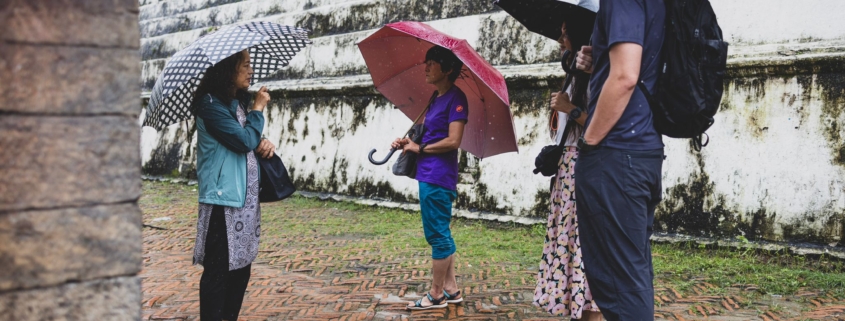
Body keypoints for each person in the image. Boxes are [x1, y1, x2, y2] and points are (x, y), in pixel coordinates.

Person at [573, 0, 666, 320]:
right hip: (644, 150)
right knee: (631, 275)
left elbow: (626, 75)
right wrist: (600, 59)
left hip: (615, 154)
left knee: (618, 284)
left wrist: (591, 140)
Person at [191, 49, 276, 321]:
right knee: (219, 272)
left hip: (244, 204)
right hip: (222, 203)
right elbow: (241, 141)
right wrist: (258, 110)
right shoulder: (209, 104)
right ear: (228, 69)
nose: (251, 71)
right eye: (246, 65)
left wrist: (263, 142)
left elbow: (248, 139)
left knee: (241, 270)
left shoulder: (234, 104)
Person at [532, 20, 602, 321]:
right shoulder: (574, 73)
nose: (560, 36)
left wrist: (569, 108)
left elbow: (605, 126)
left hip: (582, 167)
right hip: (567, 171)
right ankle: (578, 310)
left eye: (565, 30)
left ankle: (590, 311)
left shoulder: (597, 75)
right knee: (570, 245)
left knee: (583, 247)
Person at [392, 46, 468, 310]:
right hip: (428, 172)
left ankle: (436, 294)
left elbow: (454, 140)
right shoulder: (436, 97)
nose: (426, 67)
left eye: (432, 63)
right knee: (440, 232)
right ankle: (451, 288)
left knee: (437, 235)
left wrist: (419, 148)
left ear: (447, 69)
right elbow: (430, 134)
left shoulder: (456, 99)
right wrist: (410, 141)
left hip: (439, 175)